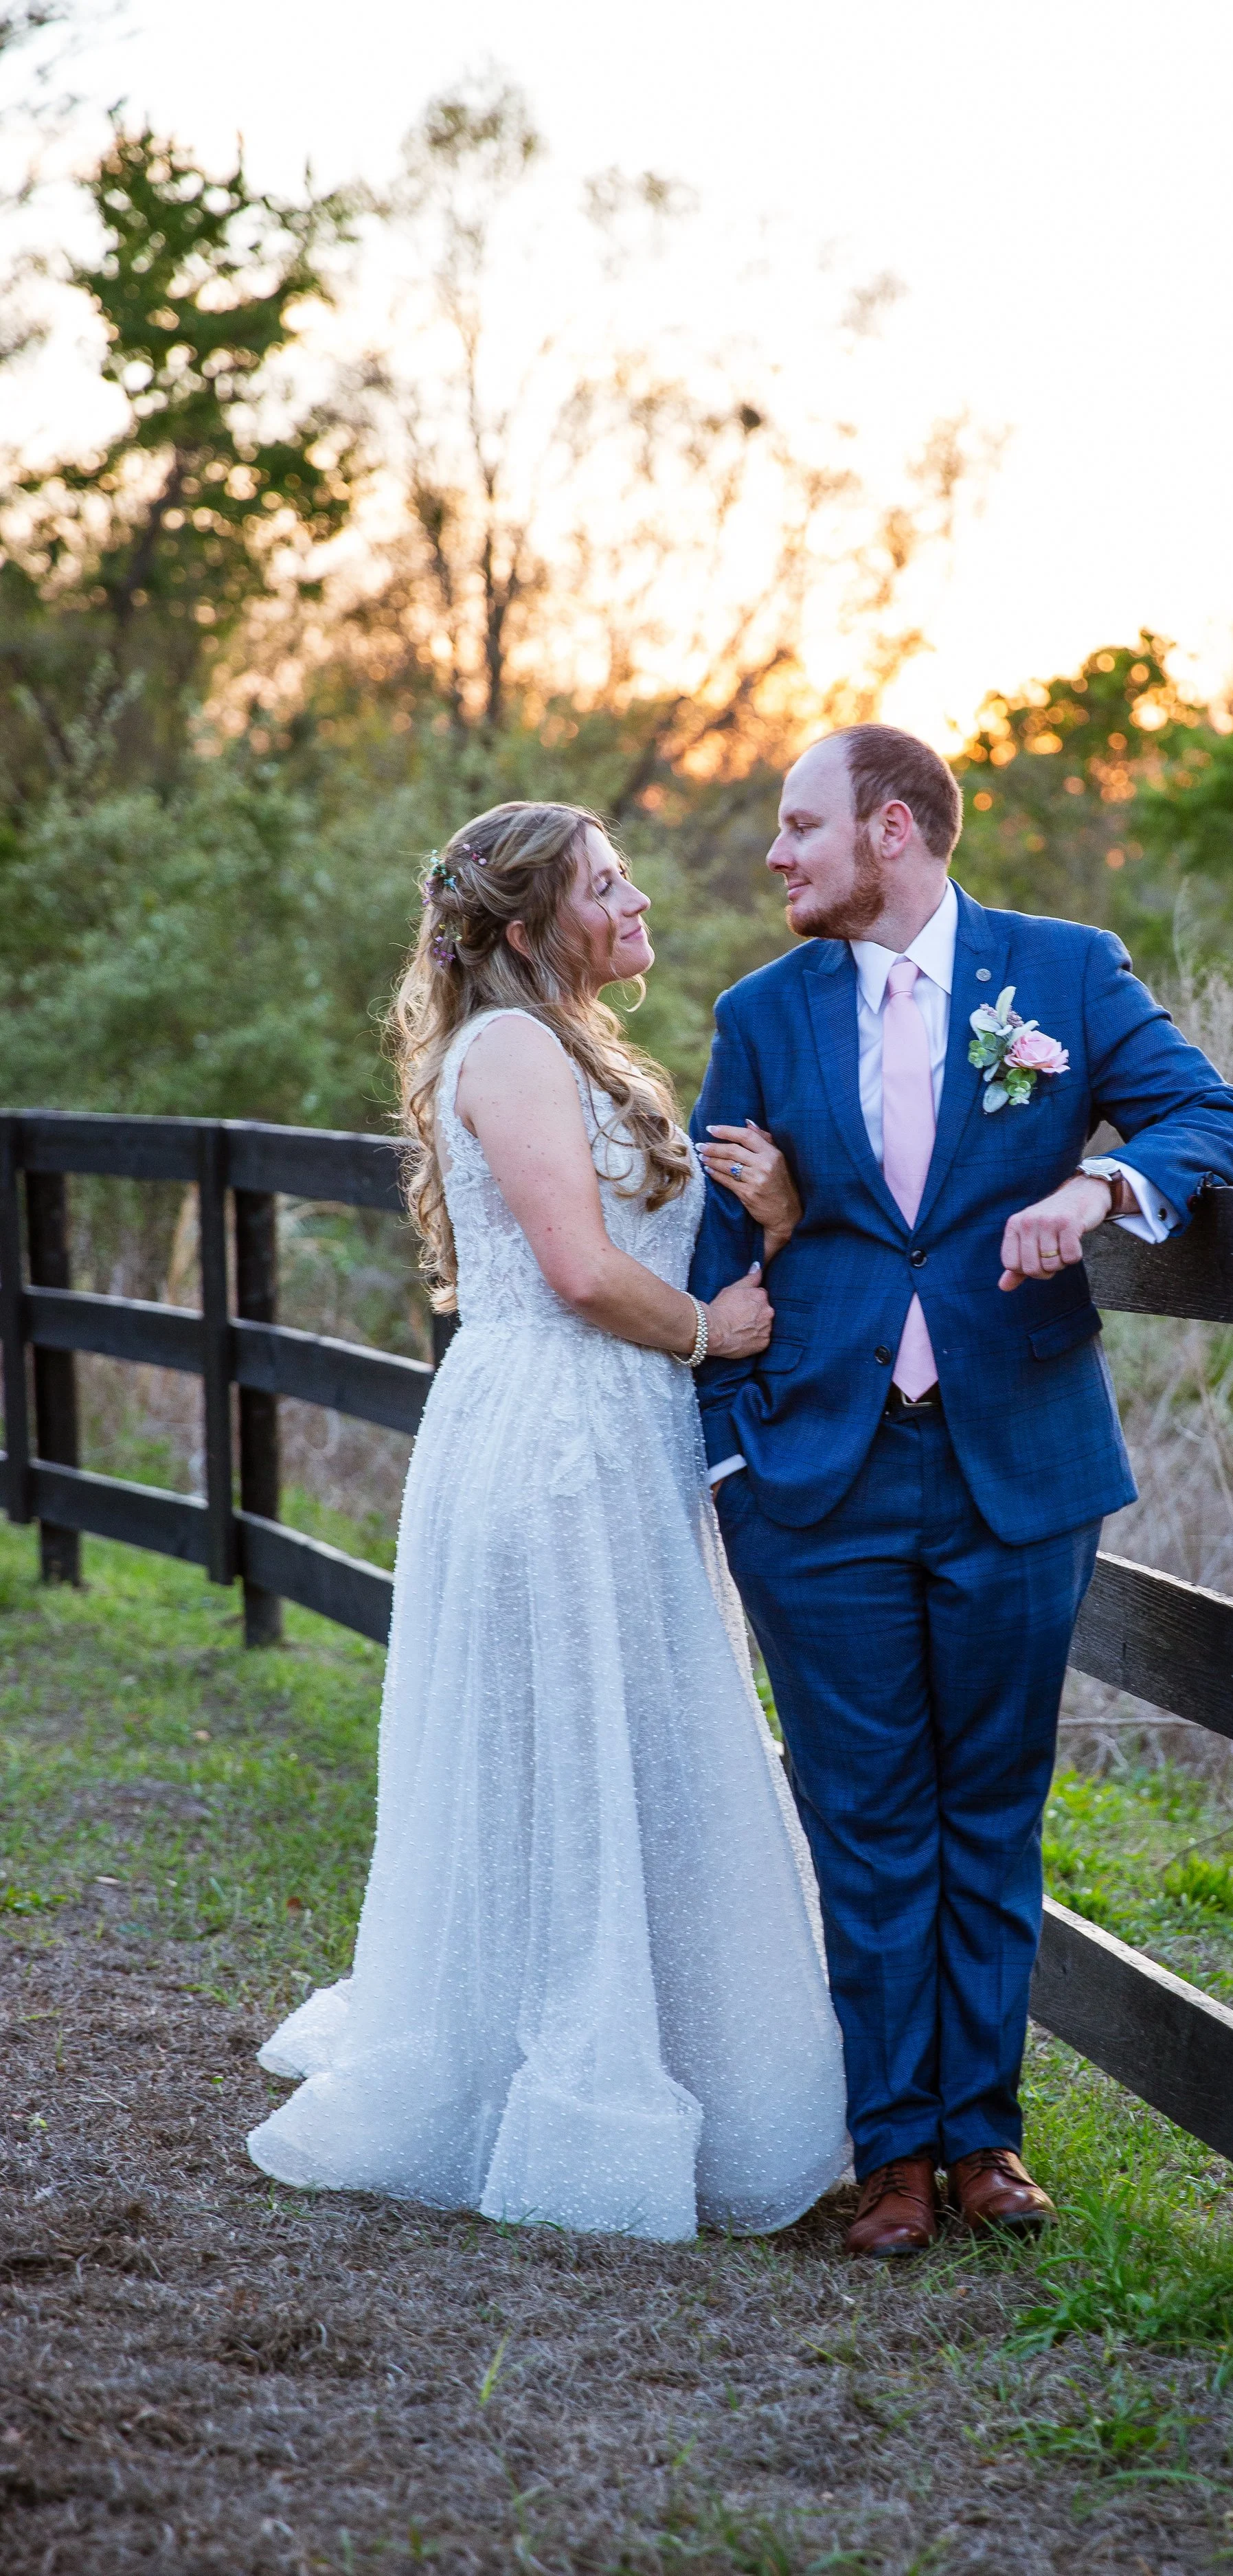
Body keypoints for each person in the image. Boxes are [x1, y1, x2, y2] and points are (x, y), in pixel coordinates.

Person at [692, 725, 1233, 2258]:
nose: (774, 854)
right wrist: (735, 1450)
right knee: (864, 1810)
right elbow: (714, 1256)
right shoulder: (758, 1012)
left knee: (992, 1807)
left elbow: (1215, 1119)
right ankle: (893, 2152)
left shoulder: (1062, 974)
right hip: (815, 1471)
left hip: (1016, 1463)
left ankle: (984, 2138)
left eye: (798, 825)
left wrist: (1092, 1187)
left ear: (890, 831)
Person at [248, 800, 848, 2241]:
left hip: (611, 1434)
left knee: (620, 1737)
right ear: (522, 928)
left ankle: (650, 2044)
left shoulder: (576, 1037)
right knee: (568, 1738)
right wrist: (713, 1332)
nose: (635, 897)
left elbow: (636, 1232)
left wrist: (765, 1222)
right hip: (553, 1434)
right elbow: (579, 1270)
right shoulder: (510, 1048)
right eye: (601, 883)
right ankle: (566, 2076)